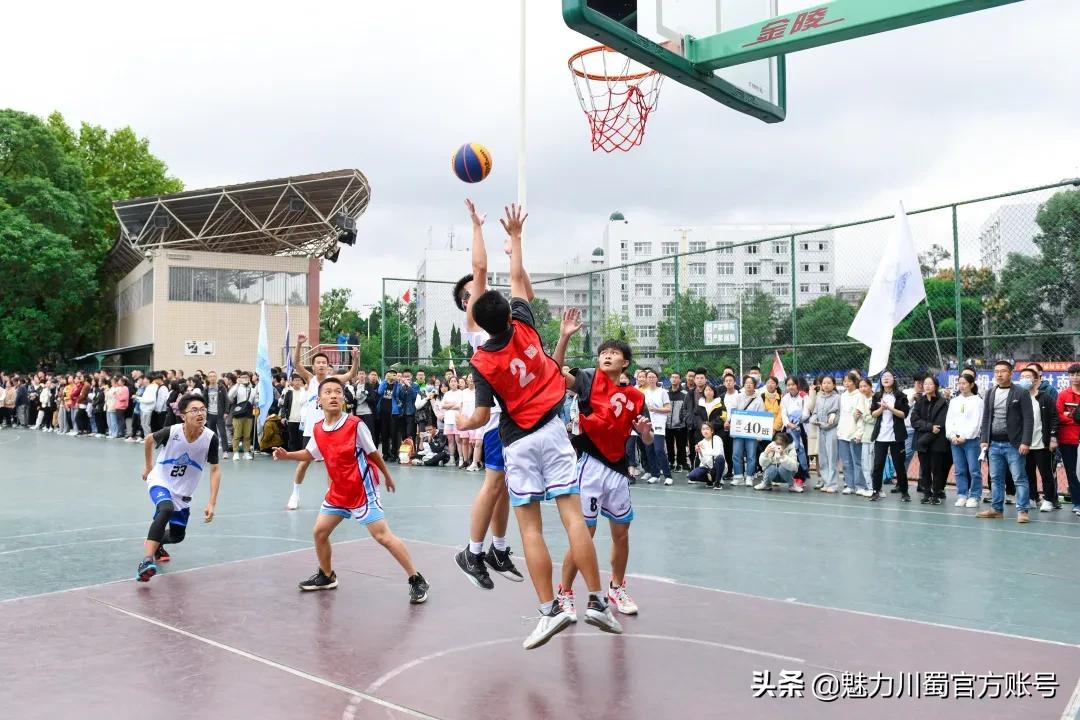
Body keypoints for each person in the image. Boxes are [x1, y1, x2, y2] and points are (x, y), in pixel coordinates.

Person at [464, 203, 620, 650]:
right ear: (510, 314)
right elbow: (516, 279)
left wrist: (460, 419)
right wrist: (516, 238)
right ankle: (595, 601)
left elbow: (477, 417)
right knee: (572, 517)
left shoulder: (481, 361)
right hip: (553, 431)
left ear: (479, 322)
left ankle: (550, 609)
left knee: (529, 528)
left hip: (517, 441)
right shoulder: (527, 327)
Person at [272, 378, 429, 603]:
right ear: (319, 400)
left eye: (338, 392)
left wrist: (387, 475)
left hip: (362, 490)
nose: (334, 395)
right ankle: (327, 576)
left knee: (382, 536)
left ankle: (416, 579)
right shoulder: (318, 428)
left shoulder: (355, 425)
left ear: (344, 399)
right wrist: (287, 455)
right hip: (338, 492)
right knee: (319, 532)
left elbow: (374, 453)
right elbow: (310, 454)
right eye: (328, 392)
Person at [451, 198, 527, 593]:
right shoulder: (476, 324)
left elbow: (521, 286)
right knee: (496, 483)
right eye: (469, 293)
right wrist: (477, 226)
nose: (476, 291)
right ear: (467, 303)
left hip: (515, 418)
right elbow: (479, 268)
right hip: (500, 419)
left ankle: (496, 548)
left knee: (504, 487)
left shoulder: (513, 323)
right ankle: (475, 551)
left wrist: (516, 251)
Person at [553, 325, 653, 617]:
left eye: (614, 353)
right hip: (589, 465)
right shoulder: (587, 379)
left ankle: (616, 587)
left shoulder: (635, 396)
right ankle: (565, 593)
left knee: (621, 533)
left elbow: (646, 439)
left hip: (618, 469)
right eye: (604, 353)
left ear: (625, 363)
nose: (607, 356)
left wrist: (645, 432)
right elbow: (556, 372)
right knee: (585, 533)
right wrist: (565, 337)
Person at [136, 393, 221, 582]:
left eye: (202, 409)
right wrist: (149, 467)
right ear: (183, 415)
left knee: (177, 536)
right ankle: (146, 561)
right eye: (194, 410)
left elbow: (215, 470)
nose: (200, 413)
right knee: (166, 508)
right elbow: (149, 440)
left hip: (183, 492)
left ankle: (156, 541)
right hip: (161, 480)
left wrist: (211, 503)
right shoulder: (172, 432)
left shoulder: (210, 439)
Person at [286, 335, 359, 510]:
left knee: (331, 464)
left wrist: (355, 359)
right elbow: (296, 363)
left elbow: (351, 374)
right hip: (311, 431)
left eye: (323, 362)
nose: (320, 365)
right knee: (304, 463)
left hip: (330, 430)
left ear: (327, 366)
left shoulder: (332, 382)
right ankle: (294, 494)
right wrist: (298, 344)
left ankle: (330, 495)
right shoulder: (310, 379)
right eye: (317, 362)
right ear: (314, 366)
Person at [977, 360, 1034, 523]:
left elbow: (1028, 419)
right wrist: (984, 440)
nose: (999, 374)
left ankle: (1023, 511)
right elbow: (987, 417)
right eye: (996, 371)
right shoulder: (990, 392)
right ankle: (996, 509)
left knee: (1019, 478)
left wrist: (1026, 442)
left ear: (1011, 373)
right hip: (994, 444)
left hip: (1014, 444)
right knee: (995, 478)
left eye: (1003, 371)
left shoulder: (1021, 392)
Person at [869, 371, 912, 502]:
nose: (886, 379)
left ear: (894, 379)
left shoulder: (900, 396)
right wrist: (881, 409)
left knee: (899, 465)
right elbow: (873, 414)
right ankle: (876, 490)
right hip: (881, 436)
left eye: (888, 377)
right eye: (883, 377)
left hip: (896, 436)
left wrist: (890, 408)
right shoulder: (877, 396)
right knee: (878, 465)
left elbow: (904, 414)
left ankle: (904, 492)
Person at [1020, 367, 1059, 512]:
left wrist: (1053, 438)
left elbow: (1054, 418)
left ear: (1036, 380)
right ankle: (1031, 498)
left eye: (1028, 376)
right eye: (1022, 376)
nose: (1024, 379)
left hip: (1042, 443)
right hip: (1025, 443)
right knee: (1027, 472)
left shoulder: (1045, 397)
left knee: (1046, 473)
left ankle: (1048, 499)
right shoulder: (1019, 397)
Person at [946, 372, 984, 508]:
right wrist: (951, 435)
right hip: (955, 441)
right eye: (959, 383)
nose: (961, 386)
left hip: (971, 441)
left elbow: (977, 422)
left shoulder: (978, 401)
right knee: (959, 469)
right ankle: (962, 494)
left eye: (964, 383)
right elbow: (949, 420)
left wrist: (966, 436)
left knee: (974, 469)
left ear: (971, 385)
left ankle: (974, 495)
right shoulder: (954, 401)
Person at [910, 375, 950, 505]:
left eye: (930, 384)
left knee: (937, 469)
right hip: (922, 440)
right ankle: (927, 493)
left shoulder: (942, 402)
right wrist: (929, 427)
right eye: (925, 384)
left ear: (936, 386)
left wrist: (930, 429)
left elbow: (939, 425)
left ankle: (936, 494)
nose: (927, 386)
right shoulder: (920, 401)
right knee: (925, 469)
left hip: (937, 442)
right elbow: (914, 420)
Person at [729, 375, 765, 486]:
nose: (748, 385)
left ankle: (749, 477)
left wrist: (760, 434)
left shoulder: (759, 400)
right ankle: (738, 476)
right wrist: (729, 422)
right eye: (746, 383)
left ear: (755, 385)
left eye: (751, 383)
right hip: (739, 431)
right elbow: (733, 411)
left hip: (752, 432)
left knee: (751, 455)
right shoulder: (738, 397)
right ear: (743, 385)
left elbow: (762, 416)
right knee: (736, 453)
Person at [837, 373, 868, 496]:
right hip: (842, 432)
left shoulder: (860, 396)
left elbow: (860, 416)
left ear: (855, 382)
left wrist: (859, 433)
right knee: (846, 462)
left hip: (854, 433)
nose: (847, 383)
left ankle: (860, 485)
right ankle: (850, 485)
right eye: (845, 381)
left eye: (849, 381)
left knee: (857, 461)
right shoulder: (843, 396)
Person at [641, 369, 673, 485]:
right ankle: (655, 475)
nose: (651, 379)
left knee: (659, 449)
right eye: (649, 377)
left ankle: (668, 476)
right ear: (646, 379)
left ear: (657, 378)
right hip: (648, 424)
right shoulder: (643, 393)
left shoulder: (662, 392)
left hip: (659, 424)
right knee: (649, 450)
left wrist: (655, 409)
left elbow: (668, 408)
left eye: (653, 377)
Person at [1056, 364, 1080, 518]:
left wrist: (1068, 416)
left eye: (1078, 374)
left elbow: (1065, 416)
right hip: (1067, 440)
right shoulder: (1063, 394)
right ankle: (1077, 503)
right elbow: (1059, 415)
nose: (1075, 377)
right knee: (1072, 473)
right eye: (1072, 374)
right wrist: (1074, 419)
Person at [227, 371, 259, 460]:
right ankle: (235, 452)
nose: (245, 379)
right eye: (243, 377)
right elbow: (229, 397)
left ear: (249, 378)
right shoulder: (237, 388)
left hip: (248, 415)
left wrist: (256, 403)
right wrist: (237, 384)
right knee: (237, 434)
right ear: (239, 378)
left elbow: (255, 401)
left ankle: (246, 452)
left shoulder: (252, 389)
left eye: (247, 377)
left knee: (247, 435)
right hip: (238, 414)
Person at [688, 422, 726, 488]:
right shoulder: (701, 443)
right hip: (707, 468)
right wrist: (700, 452)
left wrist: (705, 450)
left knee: (720, 458)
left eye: (707, 429)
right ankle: (710, 480)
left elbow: (718, 453)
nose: (705, 431)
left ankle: (717, 482)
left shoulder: (717, 439)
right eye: (703, 429)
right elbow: (703, 462)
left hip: (718, 467)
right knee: (691, 476)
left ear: (712, 431)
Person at [667, 372, 689, 471]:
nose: (674, 379)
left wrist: (682, 420)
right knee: (669, 445)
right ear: (670, 379)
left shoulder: (685, 394)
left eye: (676, 377)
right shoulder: (665, 393)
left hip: (680, 425)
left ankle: (681, 463)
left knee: (681, 445)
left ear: (680, 380)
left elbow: (687, 408)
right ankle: (671, 462)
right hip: (667, 425)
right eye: (672, 377)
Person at [281, 373, 307, 452]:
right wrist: (282, 417)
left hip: (302, 419)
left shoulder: (304, 392)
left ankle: (300, 453)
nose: (297, 382)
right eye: (295, 380)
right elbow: (285, 406)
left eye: (299, 380)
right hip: (291, 418)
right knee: (292, 437)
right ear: (292, 381)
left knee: (301, 437)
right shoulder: (289, 392)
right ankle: (292, 453)